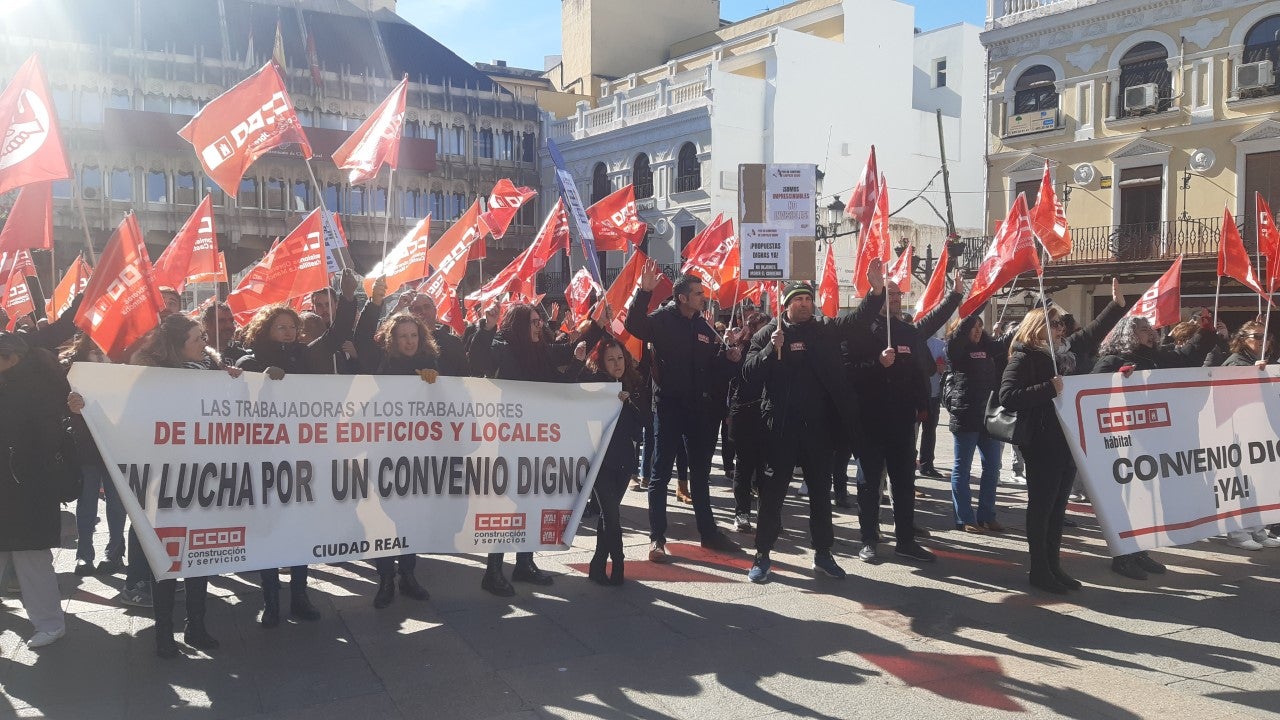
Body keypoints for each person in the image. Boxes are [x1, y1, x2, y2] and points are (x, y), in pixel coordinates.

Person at [100, 315, 238, 657]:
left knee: (199, 558)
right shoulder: (151, 379)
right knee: (167, 558)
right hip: (166, 481)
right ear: (176, 346)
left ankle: (196, 626)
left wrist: (238, 381)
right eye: (196, 338)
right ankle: (164, 633)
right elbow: (122, 414)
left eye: (204, 336)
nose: (204, 342)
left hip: (207, 477)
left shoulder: (215, 371)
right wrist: (81, 406)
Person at [742, 263, 886, 583]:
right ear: (787, 304)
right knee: (773, 496)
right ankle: (762, 555)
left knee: (821, 495)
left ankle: (823, 554)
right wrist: (769, 350)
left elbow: (856, 320)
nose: (805, 303)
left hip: (818, 432)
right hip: (779, 431)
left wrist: (875, 292)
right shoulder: (770, 333)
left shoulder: (824, 329)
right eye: (798, 299)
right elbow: (747, 376)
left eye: (808, 298)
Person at [236, 277, 355, 626]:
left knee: (299, 525)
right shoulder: (249, 359)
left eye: (293, 327)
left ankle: (300, 595)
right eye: (281, 327)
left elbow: (335, 337)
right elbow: (238, 393)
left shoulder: (305, 355)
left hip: (301, 457)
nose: (289, 332)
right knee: (270, 528)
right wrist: (260, 376)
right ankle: (271, 601)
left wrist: (347, 298)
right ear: (266, 329)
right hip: (264, 459)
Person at [845, 271, 963, 565]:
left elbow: (933, 323)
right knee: (869, 483)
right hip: (870, 420)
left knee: (904, 482)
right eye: (889, 294)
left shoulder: (909, 331)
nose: (895, 299)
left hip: (902, 421)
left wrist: (955, 296)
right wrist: (877, 363)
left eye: (898, 295)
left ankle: (905, 539)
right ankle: (869, 539)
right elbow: (849, 369)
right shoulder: (863, 331)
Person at [625, 266, 742, 562]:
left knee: (700, 474)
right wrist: (644, 292)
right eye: (698, 294)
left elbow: (715, 369)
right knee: (660, 473)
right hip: (668, 407)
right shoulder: (662, 320)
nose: (703, 298)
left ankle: (709, 533)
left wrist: (730, 359)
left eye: (702, 293)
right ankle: (657, 538)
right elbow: (633, 325)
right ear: (681, 297)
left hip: (699, 410)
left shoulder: (704, 327)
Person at [1093, 313, 1222, 580]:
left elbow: (1188, 356)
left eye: (1151, 329)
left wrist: (1205, 332)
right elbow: (1089, 393)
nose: (1151, 333)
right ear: (1129, 334)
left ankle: (1141, 550)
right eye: (1143, 330)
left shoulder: (1158, 357)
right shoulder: (1113, 361)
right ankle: (1122, 555)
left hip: (1153, 441)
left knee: (1148, 500)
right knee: (1128, 499)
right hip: (1124, 443)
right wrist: (1117, 381)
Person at [475, 303, 592, 595]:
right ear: (518, 326)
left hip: (539, 439)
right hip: (510, 439)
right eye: (534, 322)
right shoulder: (503, 347)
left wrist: (577, 362)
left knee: (533, 501)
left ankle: (524, 563)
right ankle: (492, 571)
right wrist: (486, 328)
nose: (540, 326)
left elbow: (557, 387)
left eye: (540, 321)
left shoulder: (540, 352)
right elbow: (478, 360)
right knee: (506, 505)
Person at [353, 278, 438, 607]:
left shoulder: (430, 364)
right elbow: (360, 337)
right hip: (383, 453)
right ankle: (386, 578)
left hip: (417, 455)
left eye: (413, 335)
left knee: (410, 516)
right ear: (393, 339)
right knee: (383, 517)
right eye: (402, 336)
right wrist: (375, 303)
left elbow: (445, 402)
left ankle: (409, 575)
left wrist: (434, 383)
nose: (409, 341)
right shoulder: (382, 364)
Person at [0, 331, 69, 648]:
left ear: (11, 358)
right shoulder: (16, 384)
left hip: (25, 490)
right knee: (30, 562)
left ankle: (50, 624)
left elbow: (48, 439)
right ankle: (49, 623)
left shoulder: (33, 387)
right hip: (16, 489)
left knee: (32, 561)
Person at [578, 338, 645, 585]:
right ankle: (618, 564)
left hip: (624, 461)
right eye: (611, 360)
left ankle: (597, 565)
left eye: (620, 358)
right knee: (611, 514)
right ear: (601, 363)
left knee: (610, 516)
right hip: (599, 461)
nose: (617, 364)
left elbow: (642, 425)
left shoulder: (634, 384)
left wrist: (628, 403)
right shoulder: (595, 385)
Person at [61, 334, 127, 576]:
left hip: (115, 442)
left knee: (116, 502)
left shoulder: (123, 362)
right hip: (87, 443)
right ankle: (84, 556)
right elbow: (61, 401)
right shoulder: (74, 367)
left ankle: (115, 552)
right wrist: (71, 406)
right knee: (87, 502)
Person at [1215, 322, 1280, 550]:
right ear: (1243, 339)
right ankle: (1237, 532)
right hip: (1238, 432)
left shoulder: (1261, 363)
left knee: (1259, 483)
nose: (1264, 340)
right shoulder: (1235, 362)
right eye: (1257, 336)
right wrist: (1254, 374)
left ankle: (1258, 530)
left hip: (1258, 432)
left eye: (1267, 336)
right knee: (1241, 484)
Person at [943, 310, 1008, 533]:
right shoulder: (957, 350)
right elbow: (955, 343)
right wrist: (972, 310)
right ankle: (965, 518)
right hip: (965, 416)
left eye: (981, 326)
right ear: (963, 329)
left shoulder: (987, 348)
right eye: (973, 326)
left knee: (992, 467)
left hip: (987, 417)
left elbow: (1004, 344)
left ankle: (987, 515)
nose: (978, 330)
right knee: (963, 468)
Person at [918, 332, 948, 478]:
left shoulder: (940, 345)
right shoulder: (912, 340)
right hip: (914, 397)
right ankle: (908, 466)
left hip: (933, 396)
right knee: (911, 434)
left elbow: (948, 368)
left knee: (929, 432)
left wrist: (943, 369)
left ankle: (927, 464)